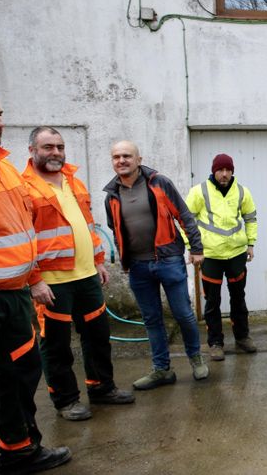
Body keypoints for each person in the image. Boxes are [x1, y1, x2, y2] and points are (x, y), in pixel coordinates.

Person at [0, 89, 71, 474]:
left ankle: (21, 451)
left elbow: (22, 233)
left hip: (15, 297)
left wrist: (33, 278)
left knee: (21, 376)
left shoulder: (3, 170)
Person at [22, 126, 135, 421]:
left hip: (86, 276)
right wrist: (34, 279)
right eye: (48, 147)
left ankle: (101, 388)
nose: (56, 152)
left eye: (59, 146)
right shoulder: (23, 188)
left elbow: (87, 224)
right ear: (32, 150)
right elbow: (21, 237)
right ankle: (66, 400)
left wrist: (97, 261)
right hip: (52, 281)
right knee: (57, 345)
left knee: (98, 336)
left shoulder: (73, 181)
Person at [103, 140, 209, 389]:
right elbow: (115, 229)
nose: (122, 161)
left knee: (183, 314)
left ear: (139, 159)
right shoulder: (111, 196)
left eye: (127, 156)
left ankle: (196, 360)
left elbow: (184, 215)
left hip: (168, 260)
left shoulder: (159, 183)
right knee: (151, 320)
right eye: (117, 157)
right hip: (138, 267)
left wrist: (196, 248)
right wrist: (124, 259)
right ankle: (162, 370)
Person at [186, 153, 258, 361]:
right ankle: (215, 343)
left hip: (236, 254)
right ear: (214, 171)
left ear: (232, 171)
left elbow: (250, 218)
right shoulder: (199, 192)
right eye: (220, 170)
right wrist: (193, 249)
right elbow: (186, 221)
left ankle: (242, 337)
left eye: (228, 170)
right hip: (210, 256)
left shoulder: (242, 192)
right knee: (212, 302)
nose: (224, 174)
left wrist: (250, 244)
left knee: (238, 298)